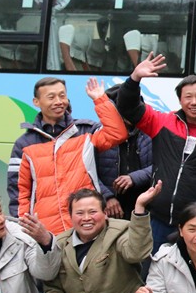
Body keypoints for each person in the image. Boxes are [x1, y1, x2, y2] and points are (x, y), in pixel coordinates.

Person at [116, 53, 196, 254]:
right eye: (188, 97)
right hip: (158, 219)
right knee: (152, 270)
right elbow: (127, 107)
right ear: (180, 100)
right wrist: (135, 78)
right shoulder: (162, 123)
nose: (194, 102)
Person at [8, 76, 126, 227]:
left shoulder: (86, 132)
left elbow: (118, 134)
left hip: (86, 226)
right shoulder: (24, 144)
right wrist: (24, 227)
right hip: (46, 230)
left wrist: (100, 100)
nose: (58, 101)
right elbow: (18, 192)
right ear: (36, 102)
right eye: (51, 97)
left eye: (62, 95)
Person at [101, 85, 154, 220]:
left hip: (147, 205)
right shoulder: (98, 135)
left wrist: (134, 178)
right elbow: (87, 172)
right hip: (111, 209)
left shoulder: (152, 131)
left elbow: (163, 166)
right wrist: (107, 197)